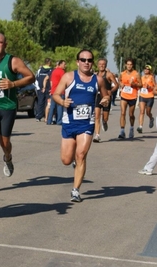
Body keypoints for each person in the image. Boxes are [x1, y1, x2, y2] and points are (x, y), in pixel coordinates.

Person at [0, 33, 35, 193]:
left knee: (4, 143)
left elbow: (31, 77)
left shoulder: (13, 61)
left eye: (0, 42)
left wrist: (13, 83)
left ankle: (7, 157)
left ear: (5, 44)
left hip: (7, 107)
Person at [52, 49, 110, 202]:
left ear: (92, 63)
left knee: (81, 155)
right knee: (66, 160)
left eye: (89, 60)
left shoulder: (98, 80)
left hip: (87, 124)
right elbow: (55, 94)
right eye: (83, 60)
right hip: (69, 123)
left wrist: (106, 100)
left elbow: (106, 95)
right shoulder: (69, 77)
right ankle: (73, 163)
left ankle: (76, 190)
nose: (86, 63)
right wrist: (62, 101)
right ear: (77, 61)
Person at [92, 58, 119, 142]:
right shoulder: (95, 75)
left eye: (103, 64)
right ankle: (97, 135)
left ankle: (105, 121)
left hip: (106, 97)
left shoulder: (109, 75)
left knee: (105, 117)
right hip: (97, 97)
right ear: (97, 64)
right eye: (100, 64)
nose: (101, 65)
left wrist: (111, 91)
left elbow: (116, 85)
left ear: (106, 65)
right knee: (96, 116)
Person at [118, 58, 142, 139]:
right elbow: (119, 80)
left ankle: (131, 128)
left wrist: (134, 83)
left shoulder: (136, 74)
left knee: (131, 114)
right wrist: (121, 84)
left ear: (133, 65)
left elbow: (141, 85)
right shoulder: (122, 73)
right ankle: (122, 131)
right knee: (122, 113)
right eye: (127, 64)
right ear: (125, 65)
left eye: (130, 64)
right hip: (124, 95)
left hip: (132, 96)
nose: (129, 66)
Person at [137, 65, 156, 133]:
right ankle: (140, 126)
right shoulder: (142, 77)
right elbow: (139, 85)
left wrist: (149, 87)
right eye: (145, 69)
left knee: (148, 112)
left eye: (147, 69)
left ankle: (151, 118)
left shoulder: (152, 77)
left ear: (150, 70)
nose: (146, 70)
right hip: (142, 96)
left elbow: (155, 87)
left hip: (150, 96)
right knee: (142, 111)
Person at [47, 60, 66, 125]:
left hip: (53, 91)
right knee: (60, 106)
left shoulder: (54, 71)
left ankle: (49, 120)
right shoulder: (62, 72)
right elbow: (64, 81)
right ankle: (59, 121)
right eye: (64, 64)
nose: (65, 66)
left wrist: (51, 89)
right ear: (60, 64)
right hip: (60, 92)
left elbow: (51, 81)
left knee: (52, 107)